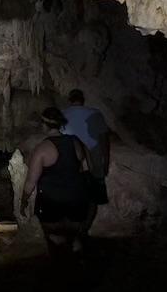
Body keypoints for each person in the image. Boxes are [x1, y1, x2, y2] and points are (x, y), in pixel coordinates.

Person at [20, 107, 90, 259]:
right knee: (73, 237)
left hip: (52, 201)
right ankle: (77, 269)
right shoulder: (75, 142)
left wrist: (23, 200)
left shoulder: (42, 149)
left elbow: (32, 180)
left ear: (44, 125)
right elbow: (83, 167)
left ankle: (59, 270)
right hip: (76, 198)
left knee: (55, 240)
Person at [62, 89, 110, 233]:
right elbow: (104, 140)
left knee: (71, 198)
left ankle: (72, 229)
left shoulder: (63, 115)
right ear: (83, 99)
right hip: (94, 163)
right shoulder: (95, 113)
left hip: (71, 164)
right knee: (93, 199)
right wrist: (105, 162)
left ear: (70, 99)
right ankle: (84, 229)